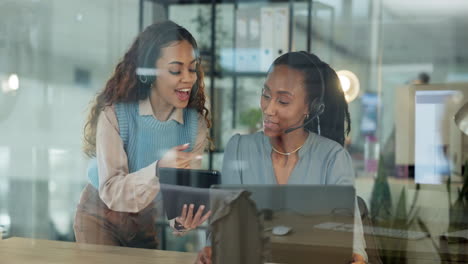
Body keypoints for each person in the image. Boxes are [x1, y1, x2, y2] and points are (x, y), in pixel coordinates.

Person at [196, 51, 367, 263]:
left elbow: (351, 240)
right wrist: (213, 251)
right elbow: (222, 228)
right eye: (266, 95)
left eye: (283, 101)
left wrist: (356, 257)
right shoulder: (240, 149)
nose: (268, 109)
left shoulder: (332, 157)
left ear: (310, 107)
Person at [74, 20, 211, 249]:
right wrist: (159, 169)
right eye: (176, 70)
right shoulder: (116, 115)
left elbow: (176, 203)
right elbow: (112, 191)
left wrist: (182, 220)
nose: (188, 78)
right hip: (99, 215)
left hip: (145, 221)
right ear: (149, 72)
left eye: (193, 68)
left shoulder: (194, 126)